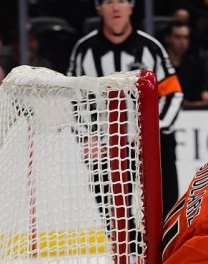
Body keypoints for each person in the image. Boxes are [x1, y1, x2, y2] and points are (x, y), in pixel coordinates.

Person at [68, 0, 185, 213]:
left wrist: (152, 131)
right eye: (109, 2)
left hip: (151, 143)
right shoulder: (84, 51)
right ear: (99, 8)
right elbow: (73, 99)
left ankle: (164, 246)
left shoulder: (151, 47)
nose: (115, 8)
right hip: (105, 145)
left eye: (121, 1)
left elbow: (172, 94)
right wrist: (88, 136)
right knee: (113, 216)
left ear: (131, 7)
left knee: (165, 209)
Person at [163, 21, 208, 107]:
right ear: (168, 38)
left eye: (186, 38)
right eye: (178, 37)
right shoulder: (160, 65)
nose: (182, 42)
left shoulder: (194, 64)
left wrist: (204, 93)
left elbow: (200, 87)